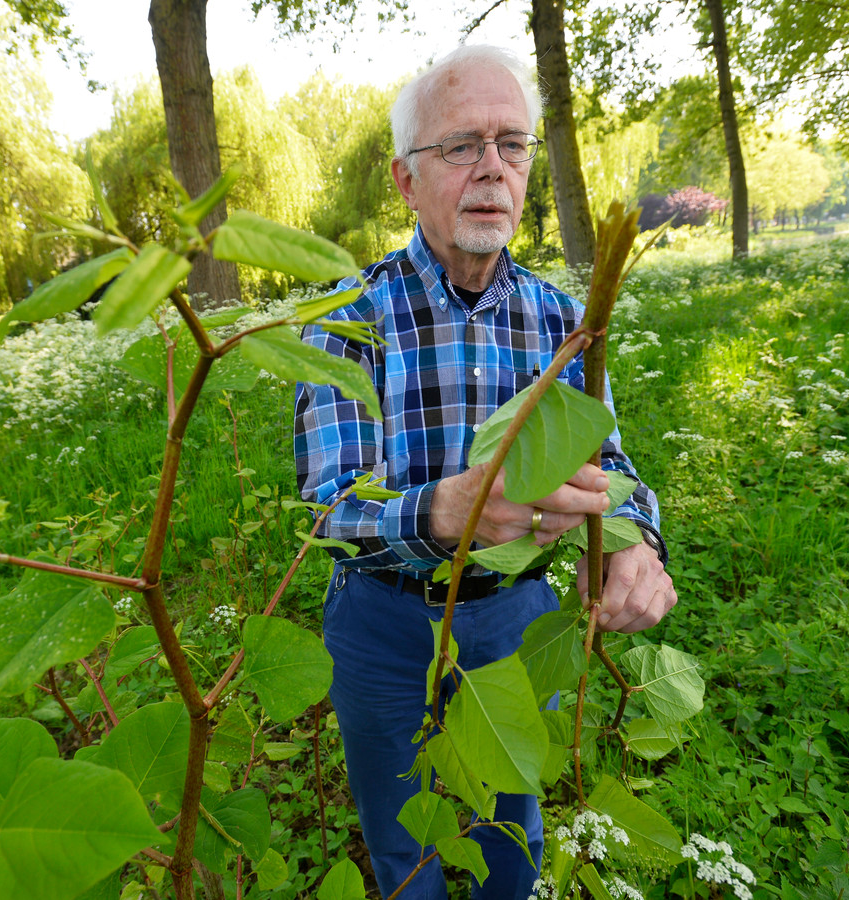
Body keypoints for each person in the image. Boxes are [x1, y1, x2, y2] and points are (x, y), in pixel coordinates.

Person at [293, 44, 677, 900]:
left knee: (516, 830)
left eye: (513, 144)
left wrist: (635, 541)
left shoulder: (563, 319)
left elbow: (609, 465)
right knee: (406, 850)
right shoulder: (347, 319)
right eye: (461, 146)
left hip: (518, 623)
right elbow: (328, 507)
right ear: (405, 178)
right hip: (384, 626)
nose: (493, 169)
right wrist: (445, 512)